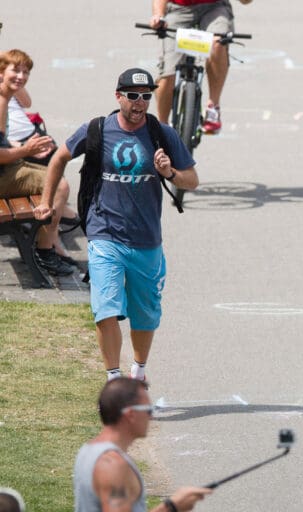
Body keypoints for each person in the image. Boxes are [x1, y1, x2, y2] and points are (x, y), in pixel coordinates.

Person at [34, 68, 198, 382]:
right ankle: (113, 378)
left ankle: (138, 372)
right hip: (103, 232)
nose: (140, 102)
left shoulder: (163, 134)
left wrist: (170, 174)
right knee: (105, 308)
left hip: (146, 239)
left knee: (145, 314)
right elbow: (59, 158)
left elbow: (192, 180)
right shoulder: (97, 129)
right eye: (133, 95)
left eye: (146, 96)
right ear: (118, 95)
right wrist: (45, 201)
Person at [74, 377, 212, 511]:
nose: (151, 417)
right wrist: (171, 507)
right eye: (148, 410)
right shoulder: (114, 466)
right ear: (131, 414)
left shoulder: (88, 450)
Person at [0, 49, 76, 276]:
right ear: (1, 72)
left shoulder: (5, 98)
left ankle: (50, 246)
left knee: (54, 173)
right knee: (58, 186)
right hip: (3, 175)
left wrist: (20, 147)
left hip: (7, 168)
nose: (21, 77)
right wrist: (26, 150)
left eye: (26, 72)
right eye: (15, 70)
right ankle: (46, 252)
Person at [149, 0, 251, 133]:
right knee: (168, 75)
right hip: (178, 9)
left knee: (218, 43)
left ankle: (213, 107)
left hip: (215, 7)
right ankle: (161, 128)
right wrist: (158, 15)